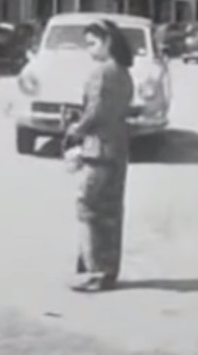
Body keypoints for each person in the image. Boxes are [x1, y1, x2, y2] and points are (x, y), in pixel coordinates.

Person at [64, 19, 134, 293]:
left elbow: (96, 112)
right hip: (118, 146)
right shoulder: (124, 72)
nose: (90, 50)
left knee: (88, 207)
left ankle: (93, 272)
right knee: (111, 211)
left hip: (98, 148)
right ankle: (107, 270)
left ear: (108, 42)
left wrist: (75, 128)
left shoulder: (101, 73)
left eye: (93, 43)